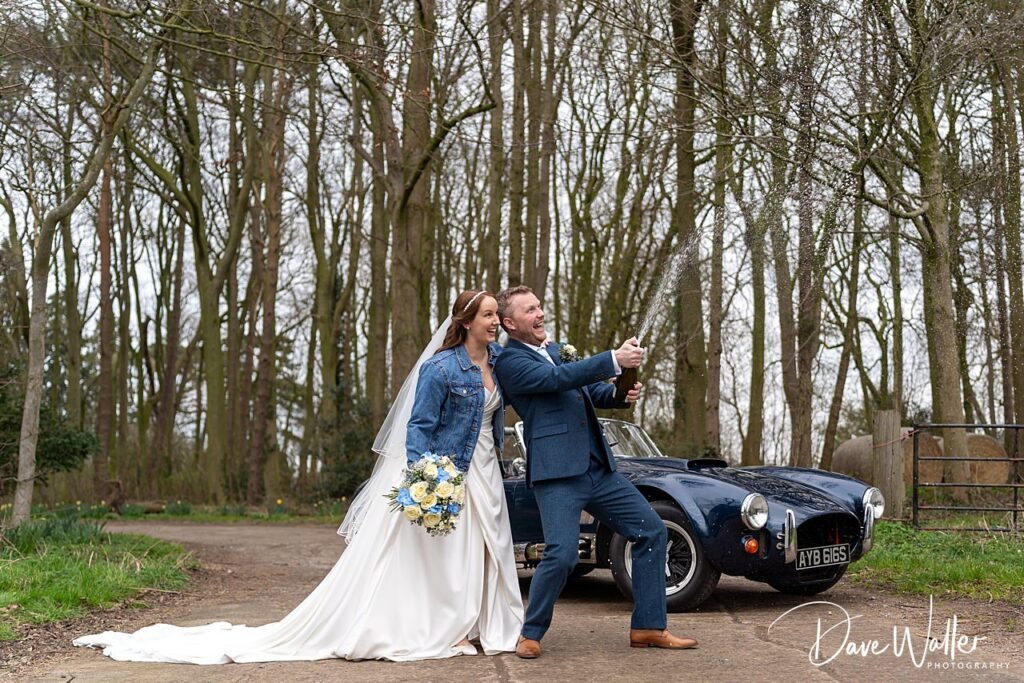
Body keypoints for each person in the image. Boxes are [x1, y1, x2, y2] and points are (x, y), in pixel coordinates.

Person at [74, 290, 524, 663]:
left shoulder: (500, 362)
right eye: (487, 315)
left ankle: (489, 622)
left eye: (495, 316)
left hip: (486, 470)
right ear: (465, 321)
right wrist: (427, 479)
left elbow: (527, 383)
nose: (494, 321)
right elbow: (420, 427)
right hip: (450, 470)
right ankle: (448, 626)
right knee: (451, 555)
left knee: (490, 547)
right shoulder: (441, 368)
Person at [492, 285, 698, 659]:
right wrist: (612, 359)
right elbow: (556, 381)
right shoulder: (509, 363)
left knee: (651, 531)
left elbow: (586, 392)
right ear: (510, 323)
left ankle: (649, 627)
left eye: (539, 306)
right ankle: (531, 632)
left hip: (599, 469)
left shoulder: (557, 351)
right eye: (529, 310)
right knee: (563, 554)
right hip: (557, 475)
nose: (540, 314)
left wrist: (620, 393)